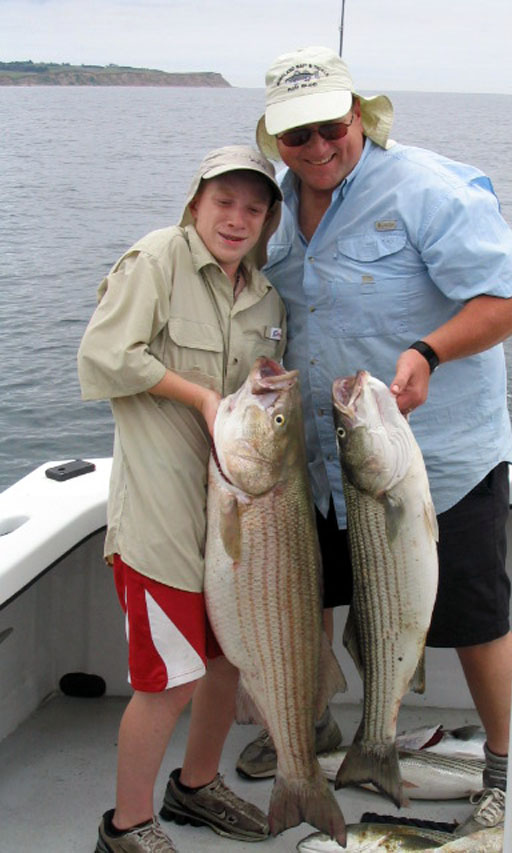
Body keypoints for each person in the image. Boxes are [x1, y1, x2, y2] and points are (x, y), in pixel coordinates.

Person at [236, 46, 512, 836]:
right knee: (310, 603)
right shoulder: (272, 205)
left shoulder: (427, 189)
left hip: (433, 462)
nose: (317, 146)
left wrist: (428, 352)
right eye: (295, 135)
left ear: (359, 114)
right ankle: (317, 736)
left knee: (474, 620)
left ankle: (505, 772)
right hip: (320, 458)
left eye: (329, 126)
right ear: (275, 140)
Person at [78, 145, 287, 852]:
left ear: (269, 220)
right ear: (195, 203)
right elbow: (104, 356)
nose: (236, 219)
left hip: (233, 530)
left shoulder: (266, 296)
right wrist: (198, 393)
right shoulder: (157, 258)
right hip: (163, 521)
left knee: (228, 664)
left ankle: (196, 786)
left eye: (253, 208)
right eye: (223, 202)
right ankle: (128, 825)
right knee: (169, 680)